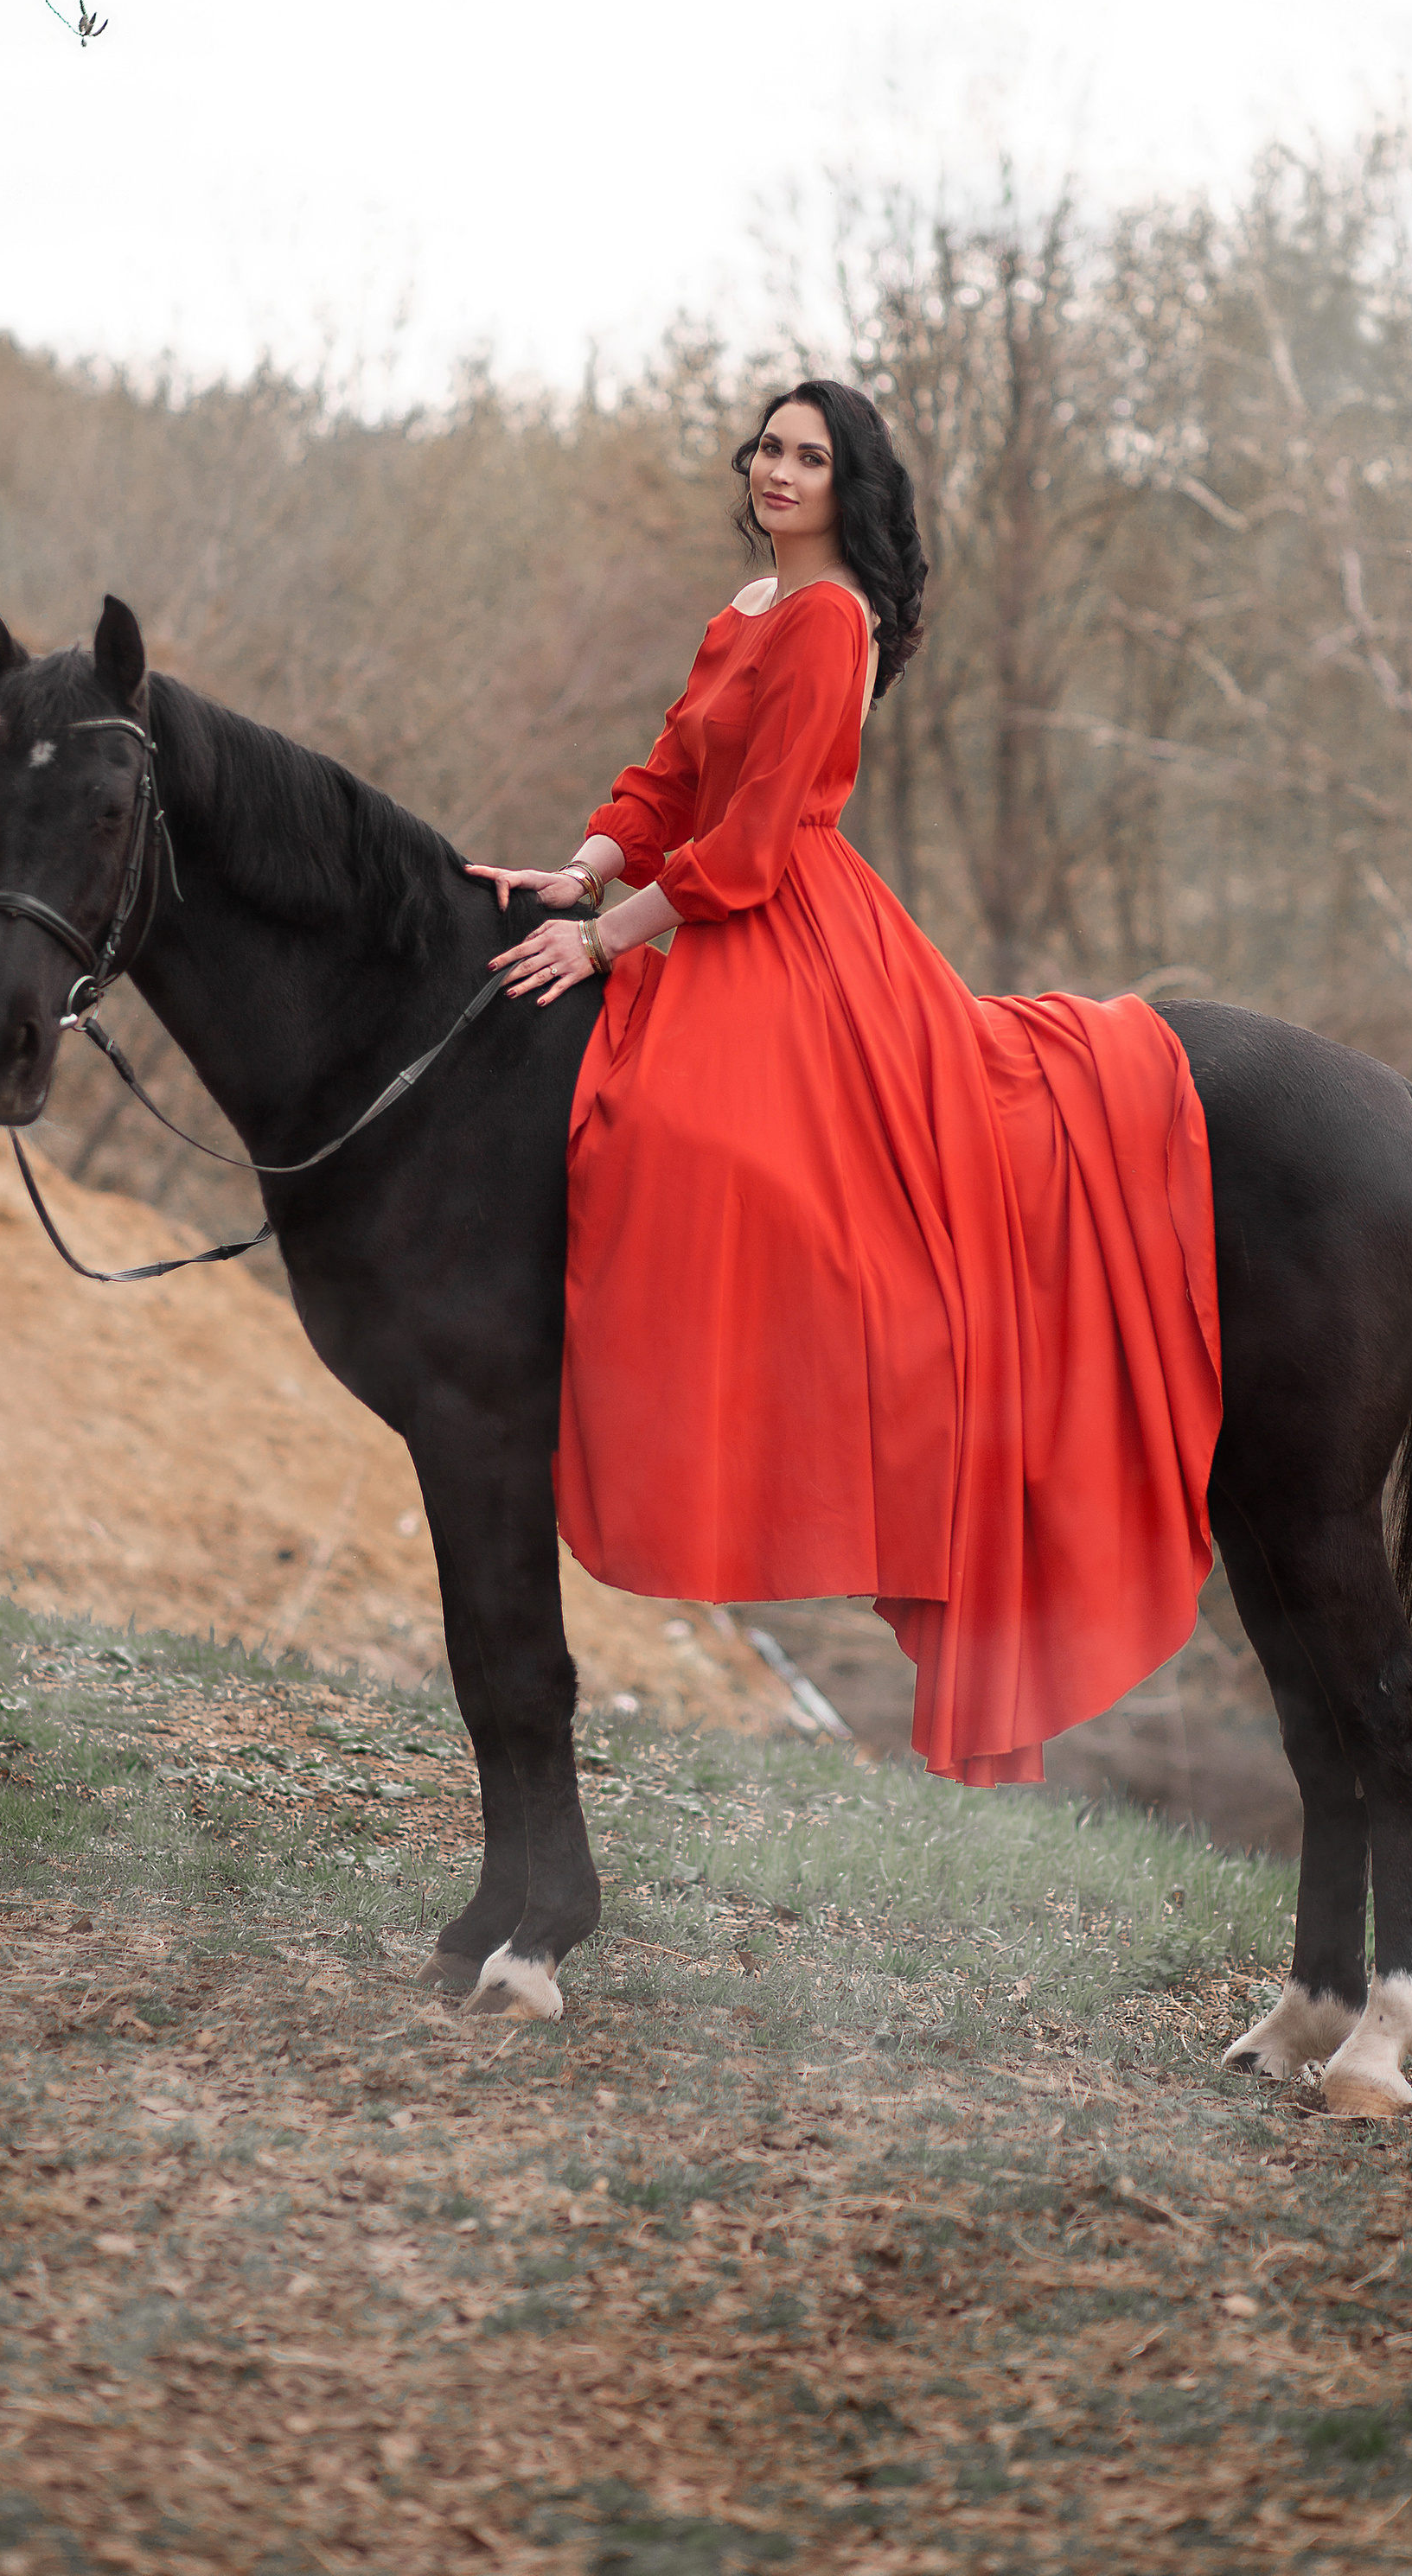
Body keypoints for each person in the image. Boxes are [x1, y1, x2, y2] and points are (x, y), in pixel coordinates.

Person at [463, 380, 1220, 1785]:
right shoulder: (745, 611)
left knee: (693, 1137)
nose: (780, 470)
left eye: (811, 456)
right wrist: (572, 872)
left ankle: (811, 1426)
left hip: (783, 925)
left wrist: (602, 937)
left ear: (850, 485)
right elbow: (664, 785)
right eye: (768, 447)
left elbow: (748, 847)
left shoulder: (828, 620)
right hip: (699, 901)